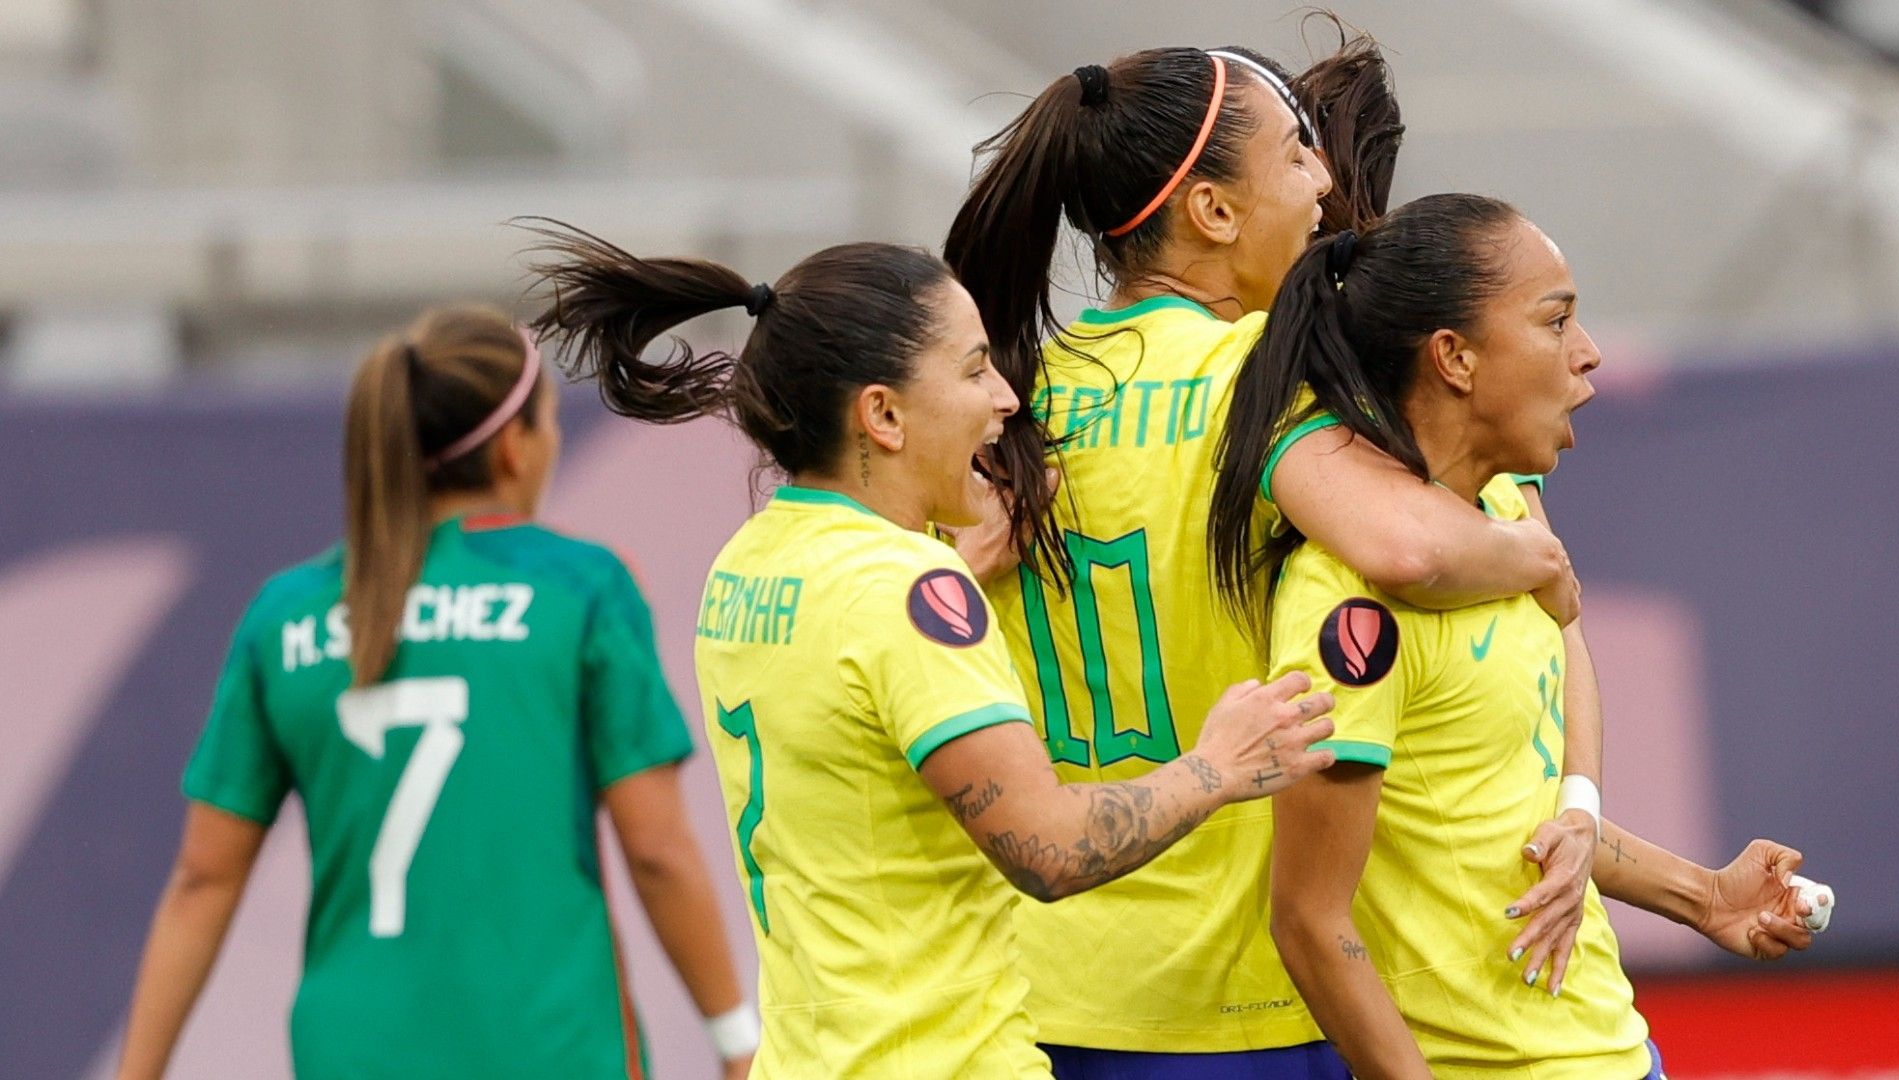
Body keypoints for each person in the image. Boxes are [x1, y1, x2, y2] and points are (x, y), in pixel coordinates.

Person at [521, 224, 1340, 1078]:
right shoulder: (911, 594)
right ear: (881, 414)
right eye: (973, 367)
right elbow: (1047, 850)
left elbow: (853, 695)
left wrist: (957, 567)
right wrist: (1217, 764)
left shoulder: (751, 562)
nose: (1006, 399)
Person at [941, 34, 1573, 1076]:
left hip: (1052, 989)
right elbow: (1405, 545)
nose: (1324, 179)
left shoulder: (1016, 393)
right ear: (1213, 213)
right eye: (1293, 154)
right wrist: (1536, 559)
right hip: (1236, 1002)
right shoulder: (1259, 371)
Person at [1214, 194, 1819, 1076]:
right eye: (1556, 320)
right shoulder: (1353, 601)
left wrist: (1704, 897)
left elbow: (1496, 812)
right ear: (1454, 358)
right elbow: (1310, 919)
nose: (1588, 352)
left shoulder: (1503, 515)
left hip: (1616, 1052)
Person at [117, 306, 756, 1080]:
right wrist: (733, 1037)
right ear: (516, 449)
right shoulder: (582, 588)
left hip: (352, 1054)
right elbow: (657, 850)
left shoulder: (285, 616)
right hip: (548, 1049)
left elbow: (201, 878)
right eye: (549, 422)